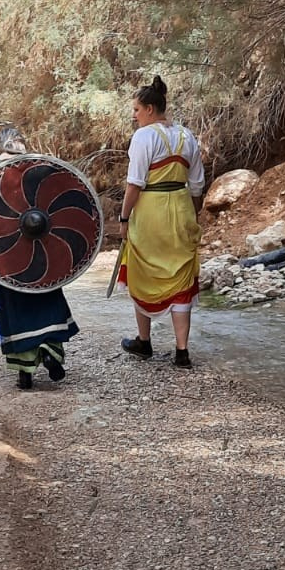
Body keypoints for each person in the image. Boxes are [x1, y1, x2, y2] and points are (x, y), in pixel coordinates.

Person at [0, 126, 79, 391]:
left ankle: (25, 374)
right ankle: (49, 354)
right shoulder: (37, 166)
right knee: (46, 299)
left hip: (5, 254)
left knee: (15, 308)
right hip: (43, 251)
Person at [118, 76, 205, 368]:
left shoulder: (144, 137)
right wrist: (193, 216)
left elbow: (135, 184)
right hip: (180, 209)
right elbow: (196, 185)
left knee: (142, 270)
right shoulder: (187, 136)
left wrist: (124, 217)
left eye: (137, 110)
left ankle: (144, 342)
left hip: (150, 212)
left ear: (151, 109)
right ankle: (182, 351)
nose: (134, 115)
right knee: (180, 274)